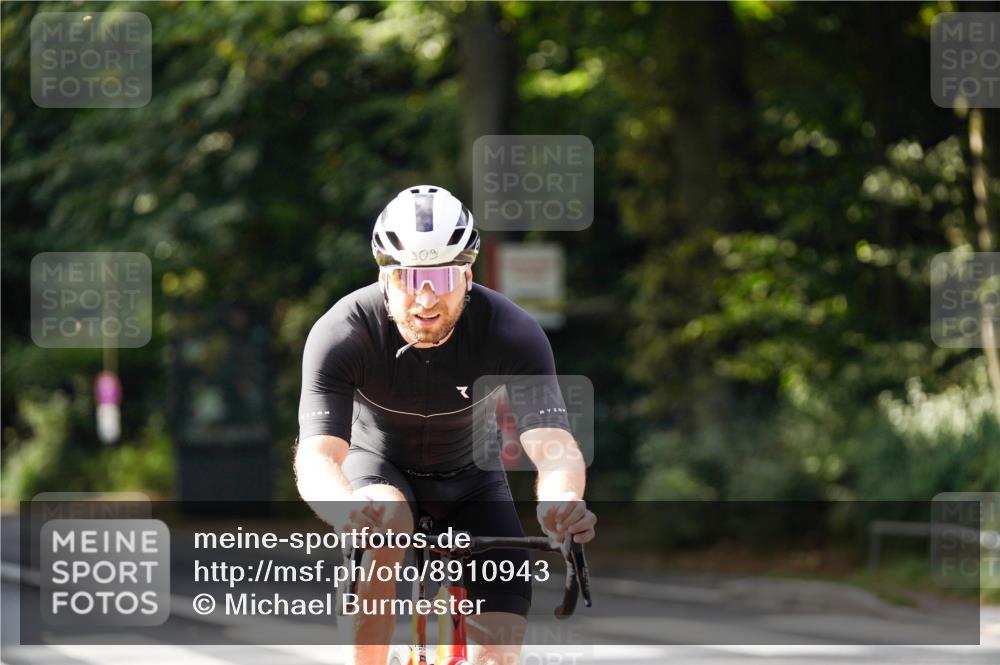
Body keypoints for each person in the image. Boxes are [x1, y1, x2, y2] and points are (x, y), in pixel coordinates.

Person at [294, 185, 596, 665]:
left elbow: (552, 441)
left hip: (473, 481)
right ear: (384, 276)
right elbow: (318, 454)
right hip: (378, 471)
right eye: (411, 276)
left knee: (497, 654)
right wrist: (342, 509)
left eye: (443, 275)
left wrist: (561, 497)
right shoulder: (342, 332)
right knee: (384, 519)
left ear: (468, 275)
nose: (427, 296)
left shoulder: (511, 331)